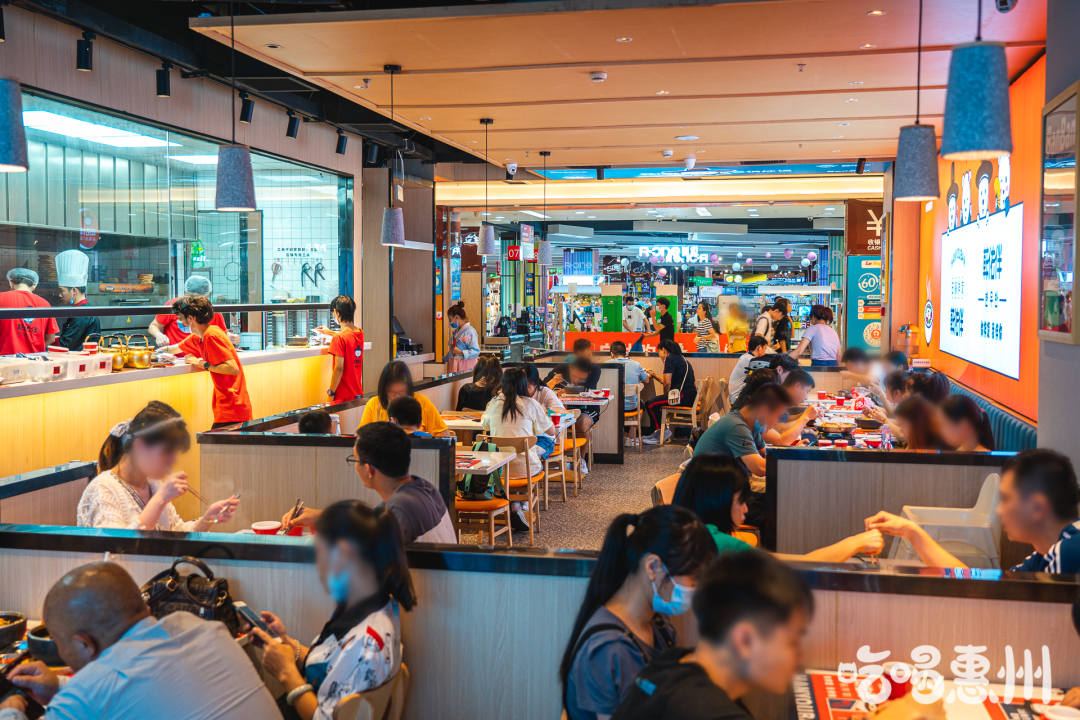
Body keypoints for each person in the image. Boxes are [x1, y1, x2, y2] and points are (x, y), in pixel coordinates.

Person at [0, 563, 278, 720]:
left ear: (84, 644)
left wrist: (11, 711)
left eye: (61, 645)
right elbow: (142, 691)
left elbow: (105, 691)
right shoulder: (204, 630)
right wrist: (61, 685)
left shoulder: (85, 698)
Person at [251, 501, 417, 720]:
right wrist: (287, 643)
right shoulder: (374, 605)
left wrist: (286, 673)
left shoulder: (365, 641)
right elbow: (334, 667)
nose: (317, 565)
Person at [608, 552, 812, 720]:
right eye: (792, 641)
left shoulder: (672, 662)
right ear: (745, 640)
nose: (800, 656)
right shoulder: (708, 711)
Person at [560, 506, 717, 720]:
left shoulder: (656, 622)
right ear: (653, 567)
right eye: (694, 578)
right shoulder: (609, 649)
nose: (696, 589)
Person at [867, 449, 1080, 573]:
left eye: (1006, 499)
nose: (999, 510)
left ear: (1037, 507)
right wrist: (912, 533)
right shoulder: (1046, 554)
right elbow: (986, 587)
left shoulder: (1066, 555)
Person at [671, 455, 882, 560]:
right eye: (740, 501)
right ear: (717, 501)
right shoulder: (720, 545)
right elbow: (803, 565)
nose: (745, 509)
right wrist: (857, 542)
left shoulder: (678, 530)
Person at [78, 401, 240, 531]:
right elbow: (115, 551)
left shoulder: (153, 483)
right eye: (167, 452)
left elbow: (175, 531)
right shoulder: (103, 489)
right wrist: (160, 499)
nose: (173, 460)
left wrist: (208, 518)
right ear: (140, 445)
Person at [285, 423, 455, 544]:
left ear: (369, 469)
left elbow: (378, 571)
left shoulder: (400, 508)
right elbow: (370, 519)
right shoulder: (422, 487)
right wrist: (320, 516)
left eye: (355, 460)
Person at [169, 296, 253, 427]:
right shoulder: (205, 335)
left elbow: (232, 368)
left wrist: (200, 363)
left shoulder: (211, 335)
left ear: (191, 318)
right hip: (227, 405)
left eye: (181, 319)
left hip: (232, 407)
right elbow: (174, 348)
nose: (180, 323)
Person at [694, 384, 790, 478]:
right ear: (764, 411)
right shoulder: (736, 426)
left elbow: (767, 454)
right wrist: (790, 462)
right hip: (708, 485)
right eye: (777, 416)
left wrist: (792, 455)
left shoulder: (751, 425)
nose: (776, 422)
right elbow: (760, 468)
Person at [359, 361, 449, 436]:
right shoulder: (374, 404)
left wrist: (428, 447)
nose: (397, 396)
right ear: (383, 390)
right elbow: (361, 437)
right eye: (391, 392)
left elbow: (443, 432)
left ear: (408, 388)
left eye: (402, 391)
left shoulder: (421, 402)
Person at [149, 276, 235, 354]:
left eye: (199, 300)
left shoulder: (212, 313)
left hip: (201, 359)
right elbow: (154, 326)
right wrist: (159, 336)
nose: (194, 303)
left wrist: (230, 337)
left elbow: (223, 334)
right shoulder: (174, 305)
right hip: (173, 359)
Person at [643, 339, 697, 445]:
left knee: (650, 404)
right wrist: (654, 375)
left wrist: (665, 396)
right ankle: (660, 432)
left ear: (663, 350)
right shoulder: (680, 358)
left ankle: (662, 433)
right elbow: (668, 382)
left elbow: (667, 383)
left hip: (682, 396)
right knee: (655, 402)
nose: (659, 355)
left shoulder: (669, 358)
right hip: (688, 396)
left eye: (659, 351)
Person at [316, 295, 364, 404]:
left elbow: (339, 368)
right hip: (357, 394)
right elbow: (348, 337)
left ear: (336, 312)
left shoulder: (339, 338)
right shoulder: (359, 332)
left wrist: (331, 393)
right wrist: (330, 332)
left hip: (343, 397)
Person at [0, 268, 57, 354]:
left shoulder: (1, 298)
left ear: (10, 282)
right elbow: (51, 338)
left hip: (6, 359)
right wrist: (34, 352)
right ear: (34, 285)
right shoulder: (45, 304)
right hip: (35, 359)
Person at [54, 250, 100, 351]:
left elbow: (66, 344)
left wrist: (48, 339)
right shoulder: (84, 310)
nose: (60, 295)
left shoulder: (81, 314)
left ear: (74, 291)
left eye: (62, 291)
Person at [762, 370, 819, 446]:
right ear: (797, 386)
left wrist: (806, 414)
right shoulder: (776, 399)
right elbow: (781, 431)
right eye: (807, 391)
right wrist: (806, 417)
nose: (806, 397)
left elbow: (786, 418)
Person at [728, 335, 771, 405]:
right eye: (764, 349)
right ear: (759, 347)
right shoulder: (751, 360)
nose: (764, 353)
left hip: (737, 397)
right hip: (738, 399)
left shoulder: (745, 356)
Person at [609, 340, 649, 413]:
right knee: (641, 403)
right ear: (625, 354)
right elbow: (647, 380)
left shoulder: (605, 365)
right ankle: (635, 421)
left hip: (611, 407)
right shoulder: (636, 364)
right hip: (631, 407)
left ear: (612, 354)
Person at [445, 301, 480, 372]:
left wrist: (461, 352)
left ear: (456, 317)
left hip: (465, 366)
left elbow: (476, 351)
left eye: (450, 319)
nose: (449, 322)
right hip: (455, 364)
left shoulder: (470, 331)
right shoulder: (456, 331)